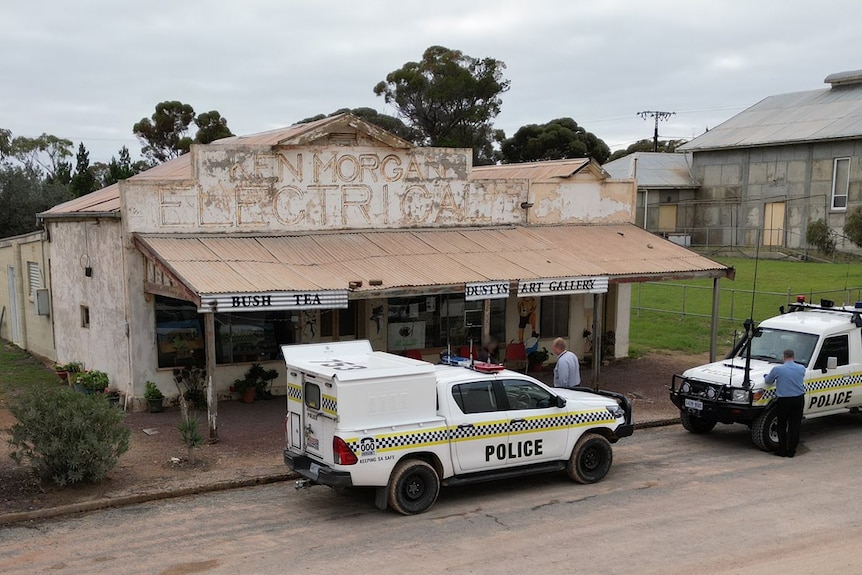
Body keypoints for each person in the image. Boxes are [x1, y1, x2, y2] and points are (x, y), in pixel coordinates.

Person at [764, 349, 806, 457]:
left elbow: (768, 380)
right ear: (793, 357)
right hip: (799, 398)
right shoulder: (801, 368)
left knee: (781, 424)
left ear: (783, 357)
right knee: (795, 424)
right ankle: (792, 450)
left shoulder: (778, 369)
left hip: (784, 400)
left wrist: (765, 376)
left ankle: (782, 449)